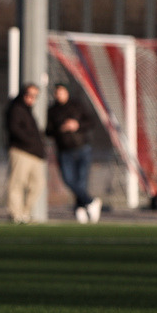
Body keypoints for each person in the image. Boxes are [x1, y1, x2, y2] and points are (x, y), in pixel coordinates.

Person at [46, 84, 101, 223]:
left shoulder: (77, 105)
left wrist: (77, 125)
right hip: (64, 150)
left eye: (61, 92)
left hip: (82, 148)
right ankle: (90, 201)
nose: (59, 95)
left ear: (67, 92)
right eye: (57, 93)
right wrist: (60, 128)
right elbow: (48, 131)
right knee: (69, 180)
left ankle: (80, 208)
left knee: (81, 182)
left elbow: (91, 122)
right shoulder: (53, 110)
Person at [5, 83, 47, 223]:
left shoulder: (28, 111)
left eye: (35, 96)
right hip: (21, 151)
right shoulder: (16, 109)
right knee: (17, 183)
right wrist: (30, 141)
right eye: (29, 95)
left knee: (38, 184)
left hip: (35, 154)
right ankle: (15, 214)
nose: (32, 98)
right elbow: (15, 129)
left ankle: (25, 212)